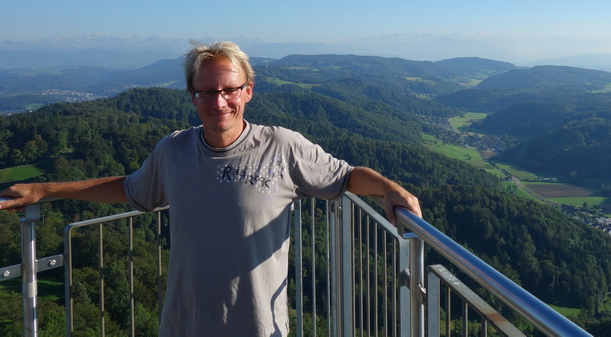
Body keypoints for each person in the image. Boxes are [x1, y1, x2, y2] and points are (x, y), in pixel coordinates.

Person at [0, 41, 422, 336]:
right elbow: (130, 189)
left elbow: (347, 177)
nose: (219, 101)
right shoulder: (173, 151)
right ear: (192, 96)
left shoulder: (283, 147)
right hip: (184, 325)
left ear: (248, 91)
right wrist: (45, 190)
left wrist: (387, 188)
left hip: (259, 328)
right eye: (207, 92)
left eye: (229, 90)